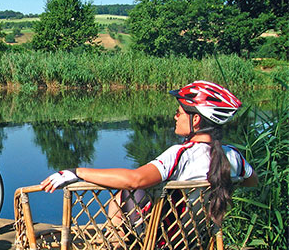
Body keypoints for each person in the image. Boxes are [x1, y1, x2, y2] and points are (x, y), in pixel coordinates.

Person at [40, 80, 258, 230]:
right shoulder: (234, 156)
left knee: (127, 194)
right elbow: (251, 181)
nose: (175, 117)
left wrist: (76, 172)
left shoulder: (181, 155)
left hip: (164, 238)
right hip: (195, 237)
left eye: (179, 113)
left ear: (196, 120)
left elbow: (135, 179)